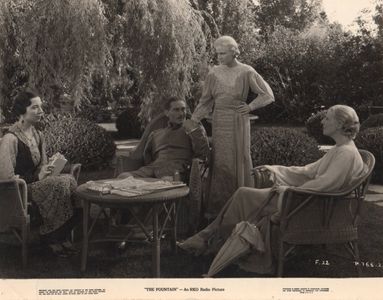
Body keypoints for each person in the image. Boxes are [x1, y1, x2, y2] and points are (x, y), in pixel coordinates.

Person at [179, 104, 368, 275]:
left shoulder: (345, 153)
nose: (323, 121)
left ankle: (212, 241)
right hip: (308, 202)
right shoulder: (340, 149)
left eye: (328, 118)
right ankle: (214, 241)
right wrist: (274, 169)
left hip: (313, 210)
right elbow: (308, 172)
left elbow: (325, 185)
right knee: (243, 195)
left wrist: (288, 190)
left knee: (243, 195)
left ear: (339, 123)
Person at [191, 35, 274, 216]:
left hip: (238, 120)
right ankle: (219, 209)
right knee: (221, 160)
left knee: (240, 158)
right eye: (217, 53)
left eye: (223, 53)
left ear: (234, 52)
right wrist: (194, 120)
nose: (219, 57)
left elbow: (268, 94)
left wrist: (250, 106)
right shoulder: (214, 72)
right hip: (219, 120)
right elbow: (206, 101)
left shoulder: (246, 71)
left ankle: (241, 209)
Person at [0, 89, 79, 257]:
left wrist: (52, 166)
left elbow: (42, 166)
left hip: (37, 186)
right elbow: (6, 178)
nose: (41, 112)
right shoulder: (10, 139)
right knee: (62, 183)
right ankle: (50, 237)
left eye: (41, 107)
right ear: (22, 111)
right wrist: (37, 176)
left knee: (70, 180)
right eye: (35, 108)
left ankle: (61, 235)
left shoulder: (38, 135)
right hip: (19, 193)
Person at [117, 96, 209, 180]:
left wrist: (194, 130)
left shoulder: (192, 130)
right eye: (176, 110)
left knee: (165, 180)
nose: (181, 113)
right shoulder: (156, 134)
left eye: (183, 109)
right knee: (123, 177)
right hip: (153, 169)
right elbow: (146, 156)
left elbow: (203, 153)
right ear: (167, 113)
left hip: (176, 171)